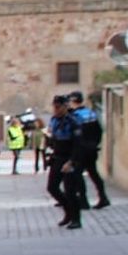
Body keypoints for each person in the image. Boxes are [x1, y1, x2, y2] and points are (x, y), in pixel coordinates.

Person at [46, 95, 86, 229]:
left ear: (65, 107)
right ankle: (68, 211)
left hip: (70, 158)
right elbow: (53, 138)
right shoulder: (54, 120)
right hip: (58, 157)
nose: (55, 110)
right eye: (54, 107)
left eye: (58, 107)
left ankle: (76, 219)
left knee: (70, 191)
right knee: (52, 187)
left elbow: (78, 144)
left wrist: (71, 162)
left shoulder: (73, 121)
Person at [67, 90, 109, 208]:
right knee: (93, 173)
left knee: (77, 174)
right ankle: (103, 197)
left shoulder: (74, 116)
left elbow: (74, 135)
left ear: (73, 101)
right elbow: (99, 131)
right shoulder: (91, 113)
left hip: (80, 150)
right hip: (92, 149)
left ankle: (84, 200)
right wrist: (95, 144)